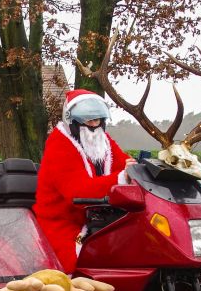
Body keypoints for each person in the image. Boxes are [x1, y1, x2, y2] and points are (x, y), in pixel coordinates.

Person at [33, 89, 134, 271]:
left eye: (98, 120)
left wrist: (136, 170)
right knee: (81, 268)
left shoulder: (103, 140)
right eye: (88, 120)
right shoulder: (59, 145)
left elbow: (123, 163)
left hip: (100, 220)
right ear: (72, 121)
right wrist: (121, 178)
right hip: (63, 223)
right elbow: (78, 192)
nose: (94, 125)